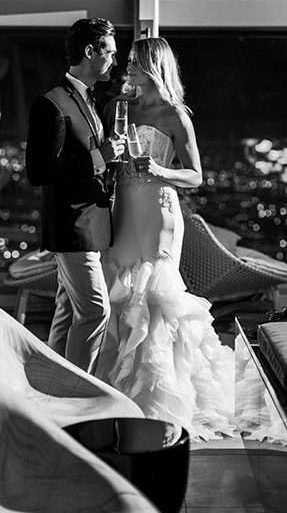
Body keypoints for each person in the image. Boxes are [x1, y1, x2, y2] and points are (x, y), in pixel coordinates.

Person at [96, 36, 236, 440]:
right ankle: (111, 393)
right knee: (117, 291)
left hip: (158, 210)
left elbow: (196, 176)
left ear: (154, 65)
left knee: (153, 295)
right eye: (127, 62)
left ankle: (160, 398)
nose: (127, 68)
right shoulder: (115, 107)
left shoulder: (175, 115)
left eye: (136, 62)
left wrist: (159, 171)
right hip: (121, 209)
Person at [25, 18, 125, 375]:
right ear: (90, 51)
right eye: (109, 53)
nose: (114, 61)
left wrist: (109, 166)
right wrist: (99, 157)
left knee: (67, 313)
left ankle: (50, 387)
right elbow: (39, 171)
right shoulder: (50, 104)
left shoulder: (90, 100)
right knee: (96, 310)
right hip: (72, 226)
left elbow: (89, 166)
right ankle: (78, 396)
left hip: (92, 224)